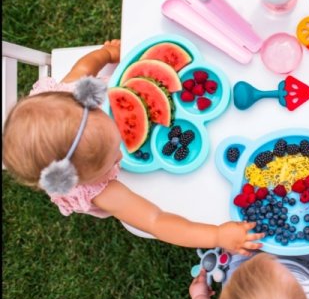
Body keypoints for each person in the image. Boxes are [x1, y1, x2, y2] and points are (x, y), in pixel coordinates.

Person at [2, 40, 264, 253]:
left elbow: (85, 66)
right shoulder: (100, 190)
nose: (121, 152)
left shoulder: (70, 93)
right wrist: (216, 235)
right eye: (115, 155)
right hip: (97, 190)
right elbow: (156, 221)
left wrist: (106, 53)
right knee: (112, 211)